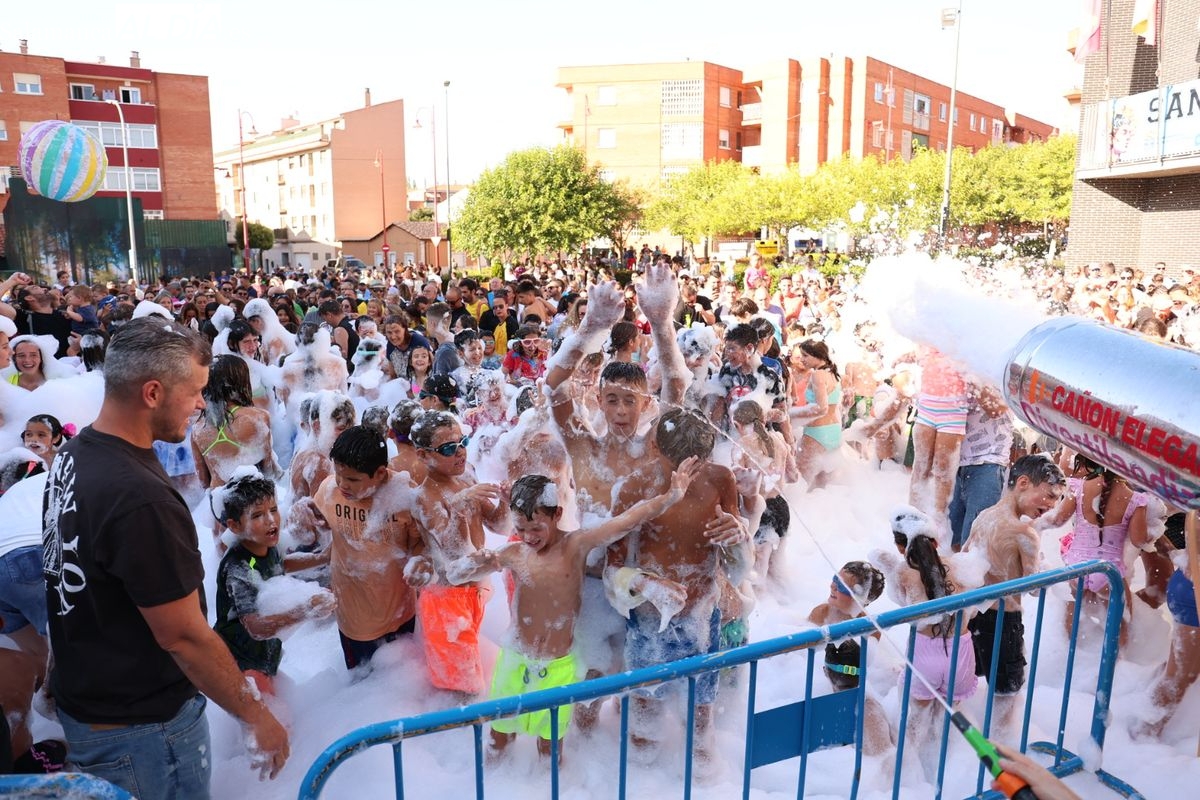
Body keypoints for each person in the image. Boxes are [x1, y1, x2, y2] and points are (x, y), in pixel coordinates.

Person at [42, 317, 288, 799]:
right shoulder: (140, 498)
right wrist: (255, 714)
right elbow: (183, 635)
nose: (201, 403)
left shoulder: (74, 454)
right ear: (152, 393)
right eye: (194, 391)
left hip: (93, 705)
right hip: (144, 730)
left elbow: (69, 574)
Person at [483, 466, 696, 759]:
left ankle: (549, 781)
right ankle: (496, 775)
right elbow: (467, 568)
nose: (528, 537)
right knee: (499, 737)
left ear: (557, 514)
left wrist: (669, 497)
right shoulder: (515, 553)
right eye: (520, 529)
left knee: (550, 746)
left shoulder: (576, 545)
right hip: (515, 658)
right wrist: (457, 567)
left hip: (558, 665)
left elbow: (626, 521)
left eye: (536, 528)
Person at [607, 409, 748, 770]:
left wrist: (738, 532)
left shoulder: (721, 478)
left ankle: (705, 776)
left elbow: (737, 552)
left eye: (698, 465)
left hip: (702, 613)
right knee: (645, 718)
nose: (689, 474)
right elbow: (612, 567)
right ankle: (641, 779)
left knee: (701, 716)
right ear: (656, 448)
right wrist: (647, 584)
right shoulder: (634, 488)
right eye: (680, 466)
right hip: (650, 620)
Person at [311, 426, 427, 671]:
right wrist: (303, 524)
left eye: (353, 479)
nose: (343, 484)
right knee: (362, 681)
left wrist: (420, 562)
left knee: (401, 680)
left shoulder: (404, 495)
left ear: (380, 473)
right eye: (338, 474)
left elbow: (421, 542)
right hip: (354, 617)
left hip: (400, 611)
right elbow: (316, 527)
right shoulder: (329, 491)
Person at [964, 454, 1066, 733]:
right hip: (1005, 623)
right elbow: (1032, 588)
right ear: (1023, 483)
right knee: (1007, 693)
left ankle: (968, 741)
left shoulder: (983, 517)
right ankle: (1001, 742)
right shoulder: (1024, 533)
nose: (1052, 506)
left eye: (1058, 500)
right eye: (1049, 495)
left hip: (975, 618)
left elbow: (965, 560)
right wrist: (1049, 573)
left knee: (972, 676)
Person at [409, 411, 508, 696]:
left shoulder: (464, 479)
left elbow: (499, 525)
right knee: (461, 688)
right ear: (423, 455)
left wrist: (506, 501)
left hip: (473, 592)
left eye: (462, 442)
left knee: (471, 673)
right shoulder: (425, 497)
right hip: (446, 600)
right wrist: (459, 505)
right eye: (448, 448)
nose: (460, 452)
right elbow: (452, 551)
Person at [212, 470, 336, 696]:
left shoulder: (262, 547)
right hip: (240, 659)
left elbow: (280, 564)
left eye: (273, 509)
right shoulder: (240, 568)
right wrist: (306, 610)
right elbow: (256, 628)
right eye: (257, 515)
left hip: (260, 653)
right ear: (235, 526)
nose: (271, 520)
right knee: (266, 710)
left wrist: (321, 558)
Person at [947, 385, 1013, 551]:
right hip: (955, 461)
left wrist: (972, 376)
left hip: (988, 461)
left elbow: (996, 409)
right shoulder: (960, 373)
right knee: (952, 540)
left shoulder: (995, 372)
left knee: (973, 544)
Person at [792, 339, 843, 490]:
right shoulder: (832, 374)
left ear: (818, 355)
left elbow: (821, 408)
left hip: (816, 433)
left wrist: (791, 415)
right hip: (833, 431)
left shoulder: (818, 375)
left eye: (805, 355)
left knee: (800, 482)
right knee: (822, 486)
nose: (802, 359)